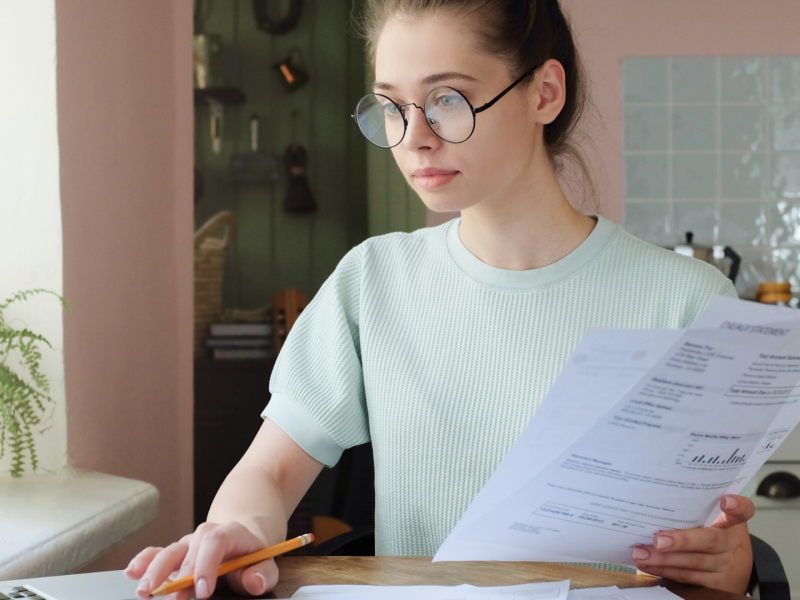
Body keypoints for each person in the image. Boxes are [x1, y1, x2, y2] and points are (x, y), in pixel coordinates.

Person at [126, 1, 756, 598]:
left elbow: (718, 548)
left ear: (545, 92)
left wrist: (729, 564)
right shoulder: (373, 282)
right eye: (391, 107)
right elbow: (267, 474)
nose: (415, 137)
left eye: (447, 100)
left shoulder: (688, 304)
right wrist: (241, 528)